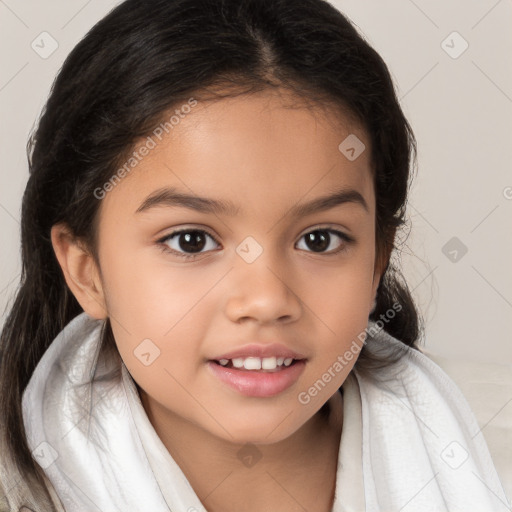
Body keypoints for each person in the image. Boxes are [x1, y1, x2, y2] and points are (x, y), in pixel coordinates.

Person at [0, 0, 508, 511]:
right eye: (191, 240)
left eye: (319, 239)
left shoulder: (489, 465)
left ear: (376, 261)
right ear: (86, 272)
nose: (266, 301)